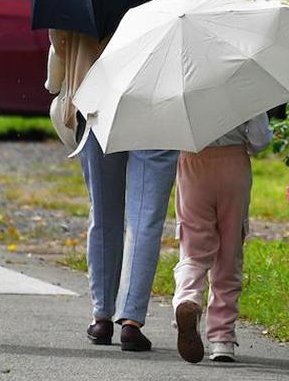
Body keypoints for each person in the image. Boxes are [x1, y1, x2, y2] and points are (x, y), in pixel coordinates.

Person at [46, 29, 179, 352]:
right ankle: (131, 321)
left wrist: (54, 83)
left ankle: (101, 316)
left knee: (104, 212)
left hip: (96, 99)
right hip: (154, 99)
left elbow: (59, 45)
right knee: (145, 216)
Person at [172, 113, 273, 363]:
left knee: (193, 247)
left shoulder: (180, 82)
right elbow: (260, 139)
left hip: (193, 163)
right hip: (233, 165)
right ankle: (222, 338)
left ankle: (187, 299)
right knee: (229, 250)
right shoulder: (245, 80)